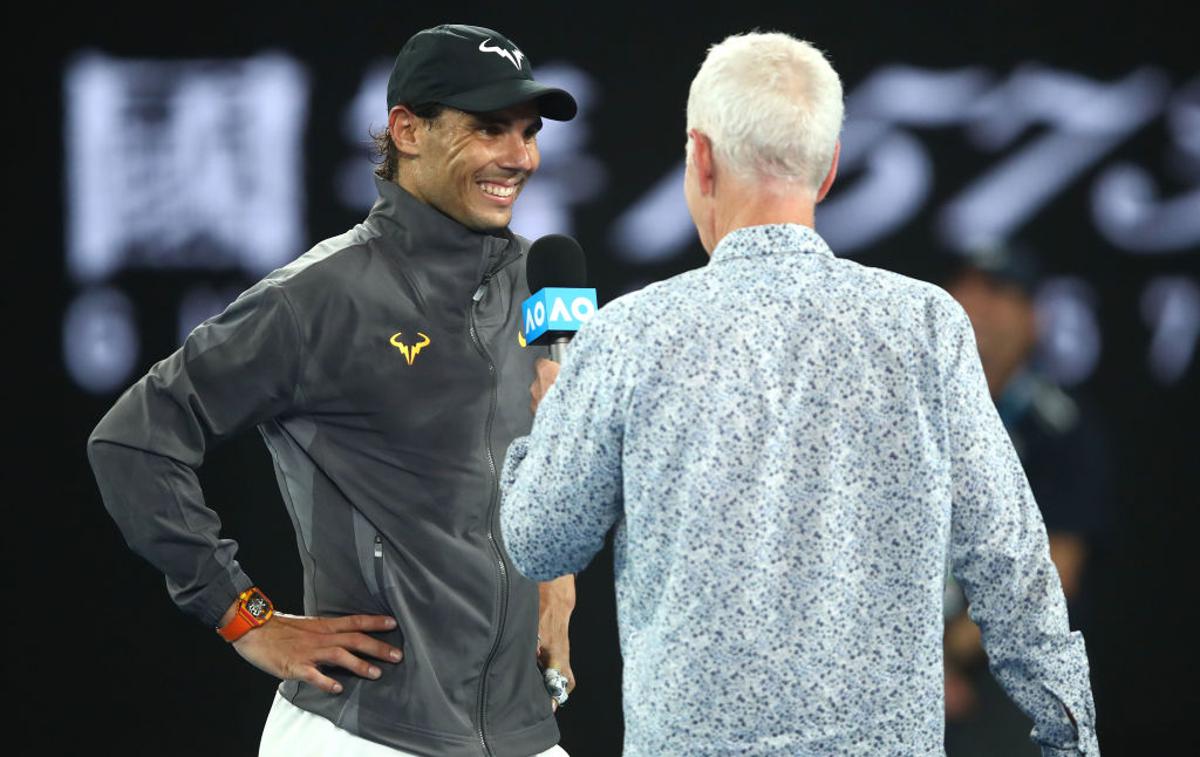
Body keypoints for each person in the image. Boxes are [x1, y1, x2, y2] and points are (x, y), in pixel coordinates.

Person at [499, 31, 1099, 756]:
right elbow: (1012, 565)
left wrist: (549, 420)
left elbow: (540, 539)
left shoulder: (630, 335)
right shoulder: (925, 326)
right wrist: (1073, 741)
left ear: (702, 157)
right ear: (828, 171)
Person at [88, 23, 578, 757]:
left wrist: (558, 577)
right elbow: (132, 441)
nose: (521, 157)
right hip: (364, 733)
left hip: (521, 733)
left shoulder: (546, 277)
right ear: (407, 131)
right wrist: (244, 614)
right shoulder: (318, 297)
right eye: (489, 129)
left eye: (528, 132)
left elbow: (555, 449)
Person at [941, 245, 1112, 755]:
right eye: (966, 286)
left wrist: (948, 654)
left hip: (1002, 675)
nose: (977, 305)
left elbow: (1058, 569)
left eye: (999, 291)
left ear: (1033, 318)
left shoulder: (1059, 427)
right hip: (890, 663)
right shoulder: (903, 410)